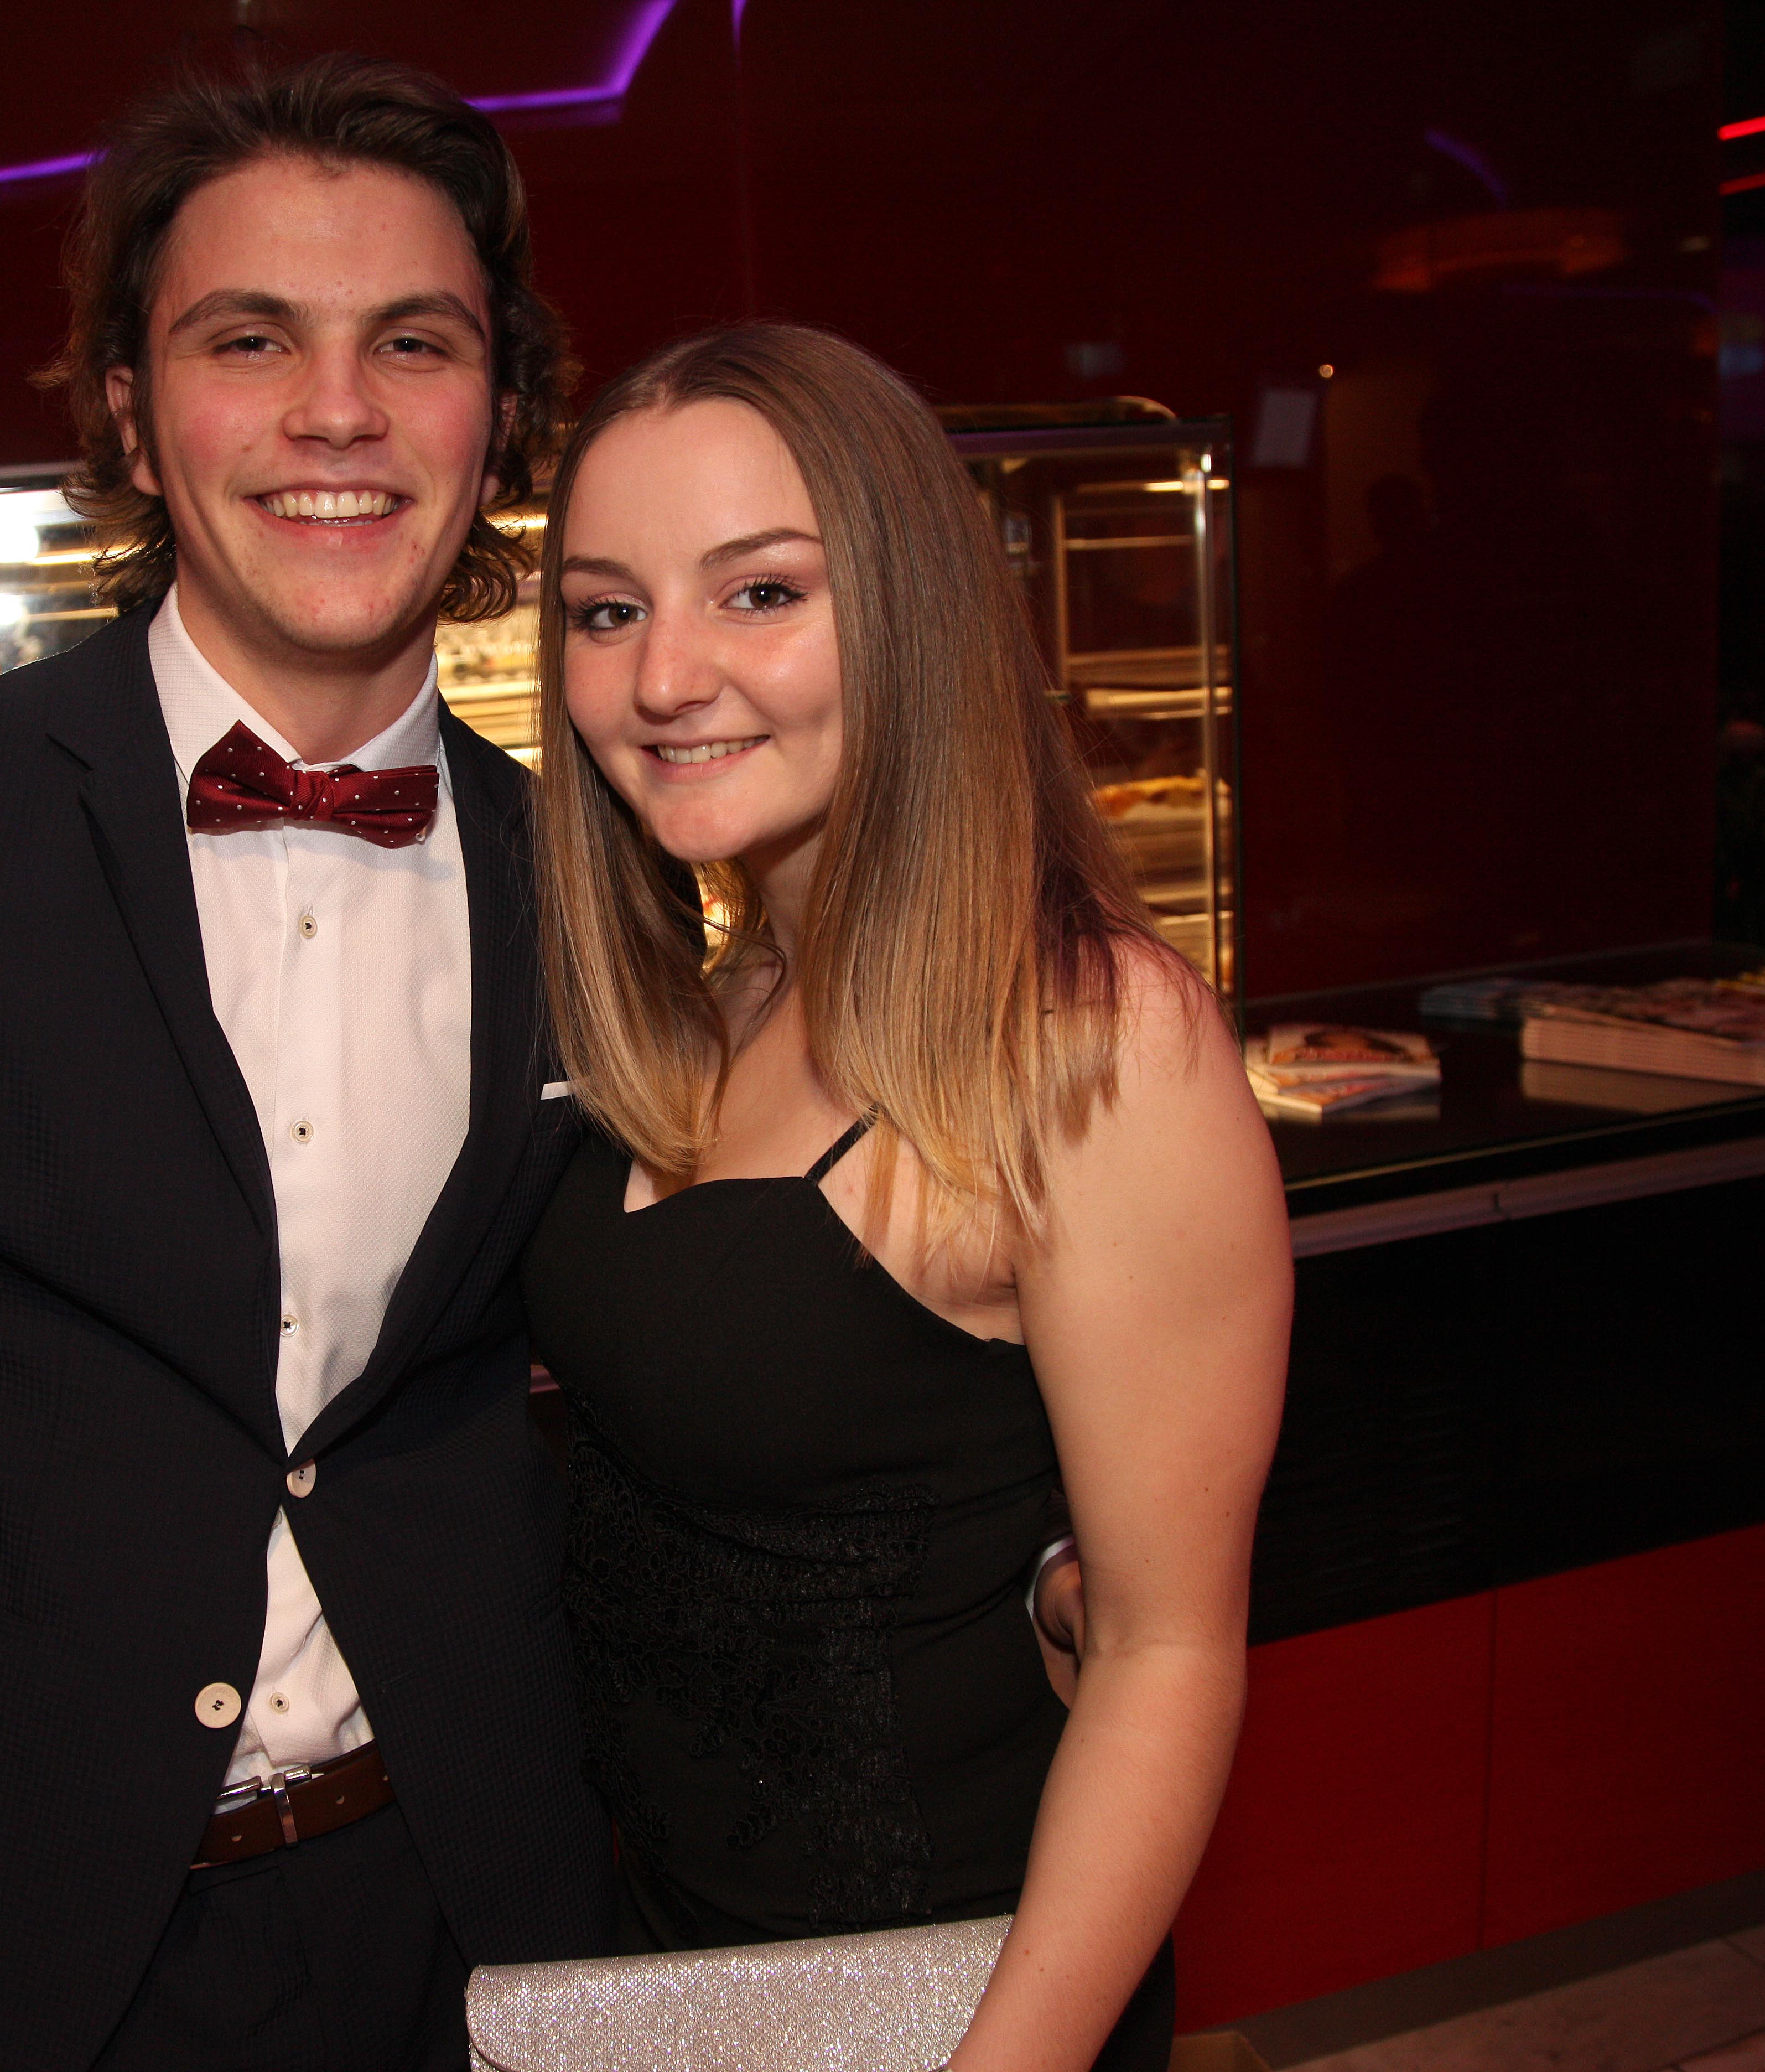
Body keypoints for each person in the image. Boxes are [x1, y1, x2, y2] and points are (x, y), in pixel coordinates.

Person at [0, 53, 608, 2072]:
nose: (336, 410)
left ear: (502, 410)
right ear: (125, 406)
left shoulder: (592, 870)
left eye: (414, 341)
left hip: (483, 1914)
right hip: (45, 1960)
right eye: (247, 338)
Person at [520, 323, 1292, 2071]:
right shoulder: (718, 992)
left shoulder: (1094, 1046)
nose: (665, 677)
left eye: (762, 593)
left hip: (940, 1999)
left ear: (911, 610)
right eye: (607, 610)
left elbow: (1167, 1653)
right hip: (668, 1970)